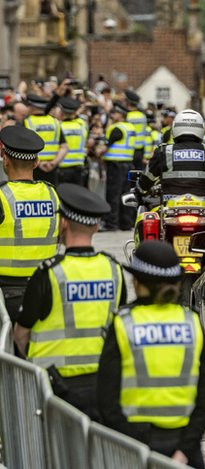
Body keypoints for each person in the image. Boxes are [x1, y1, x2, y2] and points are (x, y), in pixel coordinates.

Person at [97, 241, 205, 468]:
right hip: (185, 449)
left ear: (138, 282)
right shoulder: (191, 322)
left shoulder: (124, 324)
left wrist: (137, 449)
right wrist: (183, 452)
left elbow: (107, 401)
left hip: (134, 449)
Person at [13, 184, 124, 418]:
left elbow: (21, 336)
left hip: (54, 388)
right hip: (102, 383)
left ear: (63, 223)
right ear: (95, 226)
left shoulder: (49, 273)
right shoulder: (114, 269)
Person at [0, 125, 61, 323]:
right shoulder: (53, 195)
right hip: (46, 285)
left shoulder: (2, 196)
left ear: (5, 158)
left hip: (7, 291)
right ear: (36, 162)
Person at [137, 110, 205, 201]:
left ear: (174, 128)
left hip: (169, 210)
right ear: (202, 129)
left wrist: (139, 190)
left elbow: (145, 182)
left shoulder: (163, 151)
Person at [99, 104, 135, 232]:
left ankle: (111, 224)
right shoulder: (130, 127)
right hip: (128, 164)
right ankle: (126, 223)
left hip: (116, 165)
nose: (112, 115)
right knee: (126, 194)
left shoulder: (117, 128)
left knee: (113, 194)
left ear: (120, 115)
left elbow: (105, 147)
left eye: (114, 113)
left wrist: (99, 152)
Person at [24, 93, 61, 185]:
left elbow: (23, 147)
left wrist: (39, 163)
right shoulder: (55, 122)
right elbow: (64, 147)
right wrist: (53, 163)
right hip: (52, 168)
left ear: (31, 107)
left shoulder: (26, 122)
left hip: (33, 168)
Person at [54, 97, 90, 186]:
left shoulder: (58, 126)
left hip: (62, 168)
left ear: (61, 112)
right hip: (79, 168)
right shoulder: (82, 125)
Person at [124, 89, 148, 171]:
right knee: (137, 174)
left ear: (128, 102)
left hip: (129, 149)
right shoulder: (143, 116)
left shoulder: (127, 116)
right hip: (140, 150)